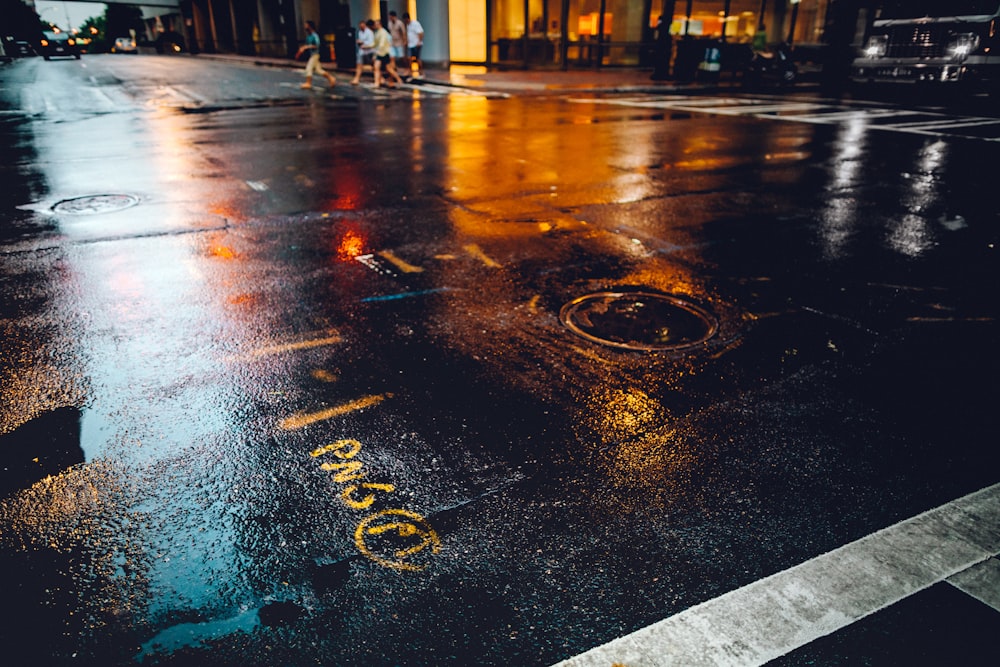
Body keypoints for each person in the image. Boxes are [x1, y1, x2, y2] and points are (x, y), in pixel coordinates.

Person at [295, 20, 335, 89]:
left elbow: (317, 45)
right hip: (312, 54)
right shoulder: (308, 36)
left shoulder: (315, 35)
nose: (305, 27)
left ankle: (308, 83)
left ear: (310, 26)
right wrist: (302, 49)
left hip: (315, 54)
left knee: (309, 68)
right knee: (318, 70)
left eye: (306, 25)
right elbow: (307, 45)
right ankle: (331, 78)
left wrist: (306, 47)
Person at [371, 19, 403, 88]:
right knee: (377, 67)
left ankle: (398, 79)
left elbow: (382, 44)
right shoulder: (377, 33)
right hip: (380, 53)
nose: (375, 25)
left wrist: (377, 51)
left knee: (389, 69)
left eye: (376, 24)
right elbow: (375, 43)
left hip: (385, 53)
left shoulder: (383, 32)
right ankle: (377, 82)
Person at [350, 19, 375, 85]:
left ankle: (380, 78)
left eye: (363, 26)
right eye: (360, 26)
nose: (361, 27)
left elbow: (371, 43)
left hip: (369, 51)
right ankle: (356, 79)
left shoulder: (369, 32)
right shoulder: (360, 32)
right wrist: (359, 42)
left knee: (374, 66)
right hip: (362, 51)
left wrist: (363, 43)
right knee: (359, 65)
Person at [402, 12, 424, 79]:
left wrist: (419, 41)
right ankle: (410, 72)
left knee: (417, 59)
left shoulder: (415, 24)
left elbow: (421, 32)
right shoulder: (408, 25)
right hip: (411, 44)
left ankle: (421, 73)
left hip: (416, 44)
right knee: (410, 59)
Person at [387, 11, 408, 76]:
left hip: (399, 42)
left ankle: (406, 68)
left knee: (401, 57)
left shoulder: (399, 23)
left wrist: (404, 41)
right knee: (392, 57)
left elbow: (403, 33)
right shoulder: (389, 23)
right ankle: (394, 70)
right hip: (392, 42)